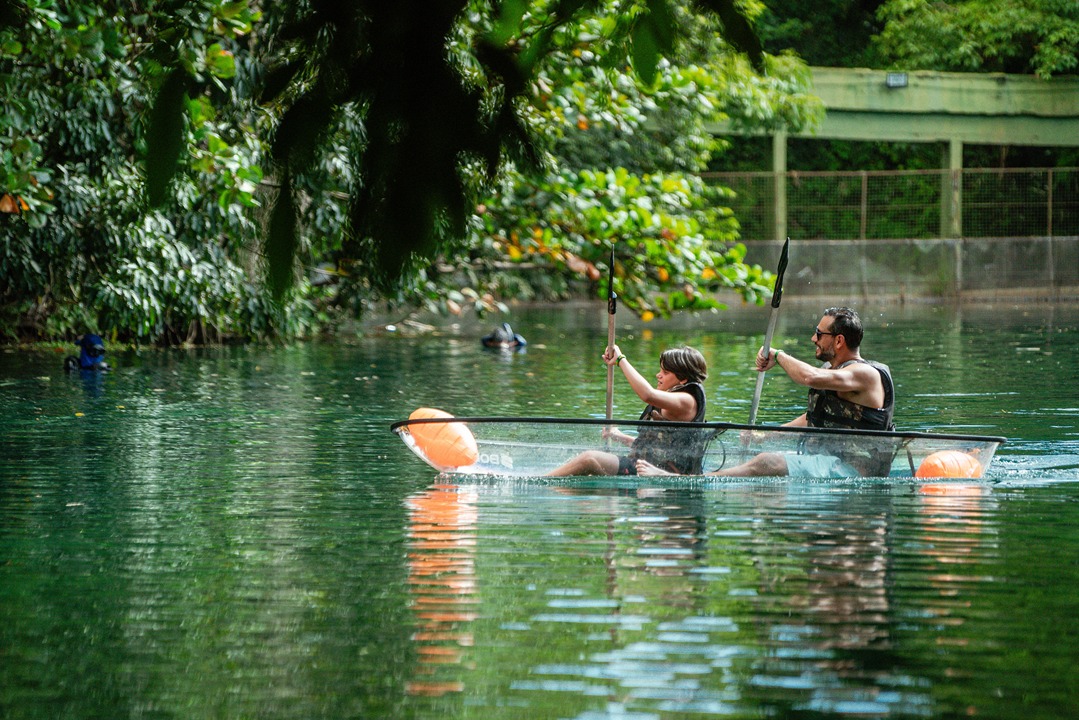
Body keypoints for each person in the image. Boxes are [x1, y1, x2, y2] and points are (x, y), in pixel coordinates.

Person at [638, 307, 895, 478]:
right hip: (825, 461)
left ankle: (690, 480)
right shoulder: (833, 371)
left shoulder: (865, 374)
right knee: (757, 463)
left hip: (854, 471)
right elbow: (812, 419)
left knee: (767, 462)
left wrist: (778, 355)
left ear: (839, 340)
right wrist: (764, 436)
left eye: (819, 333)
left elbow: (810, 377)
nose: (813, 339)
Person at [547, 345, 708, 476]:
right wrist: (619, 436)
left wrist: (620, 360)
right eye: (660, 370)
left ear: (683, 378)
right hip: (643, 466)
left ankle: (541, 482)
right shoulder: (673, 399)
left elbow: (648, 395)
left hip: (661, 473)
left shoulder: (687, 401)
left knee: (590, 459)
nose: (658, 375)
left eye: (665, 372)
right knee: (588, 472)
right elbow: (651, 447)